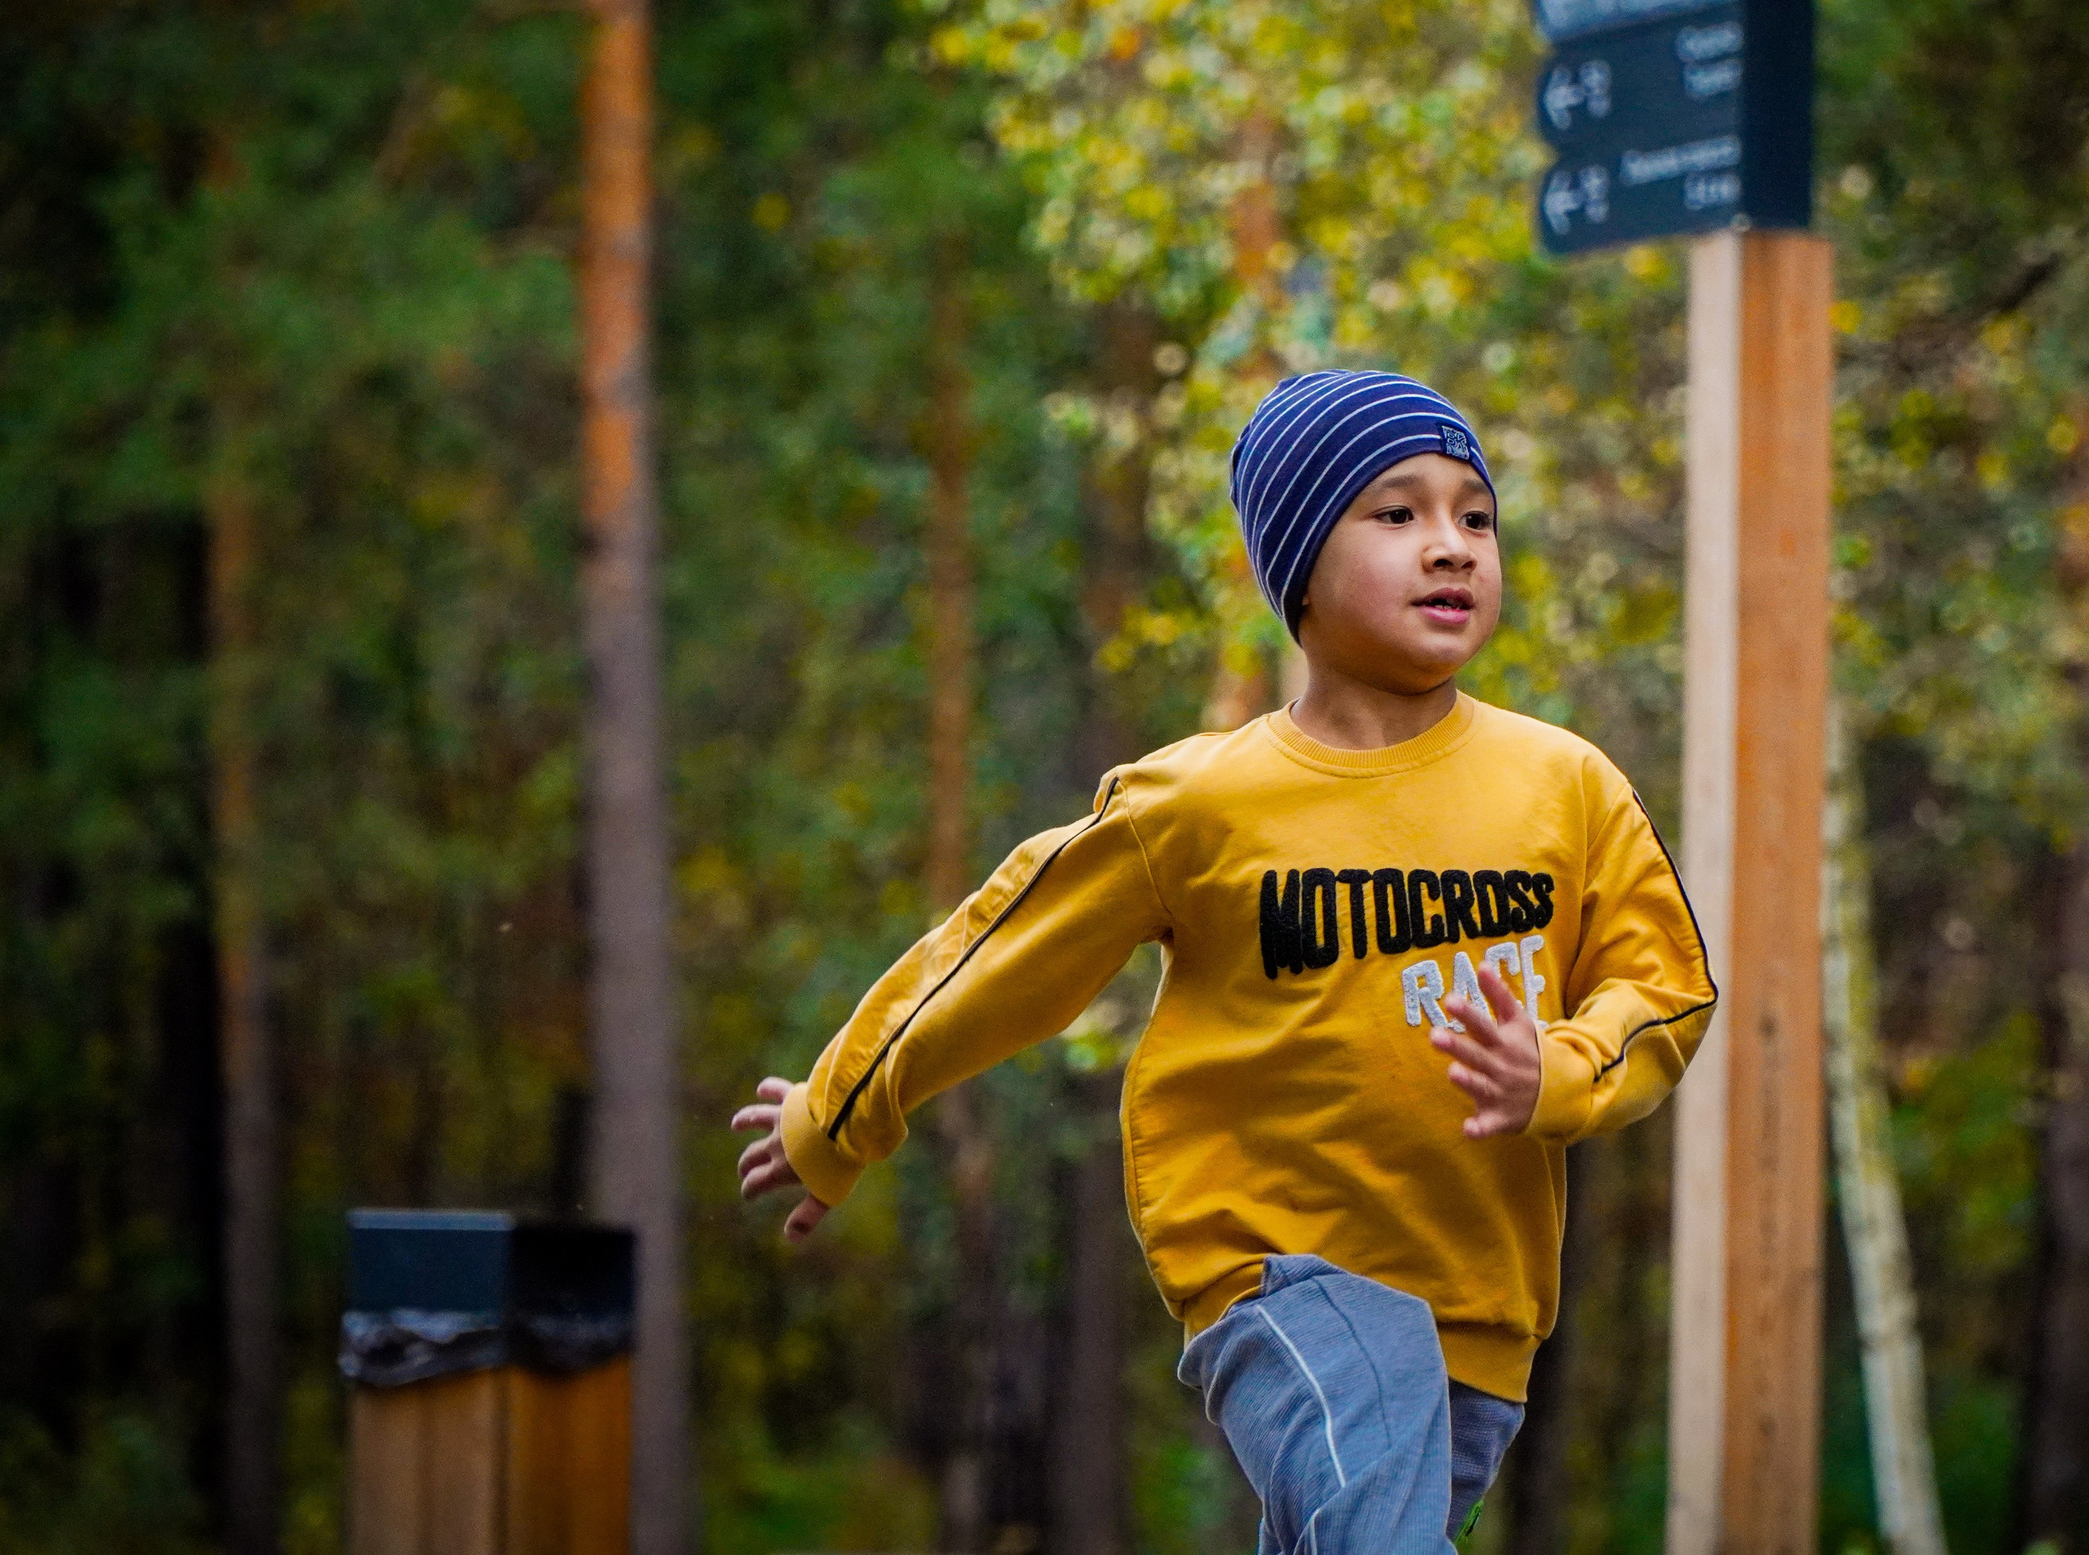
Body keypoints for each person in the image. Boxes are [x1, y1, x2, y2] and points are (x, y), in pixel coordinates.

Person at [734, 368, 1718, 1553]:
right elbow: (997, 958)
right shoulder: (1195, 804)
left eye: (1475, 516)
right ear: (1299, 564)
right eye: (1397, 514)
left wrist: (1555, 1072)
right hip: (1275, 1277)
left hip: (1482, 1309)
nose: (1451, 547)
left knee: (1364, 1524)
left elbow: (1665, 988)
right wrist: (837, 1113)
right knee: (1376, 1492)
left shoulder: (1564, 786)